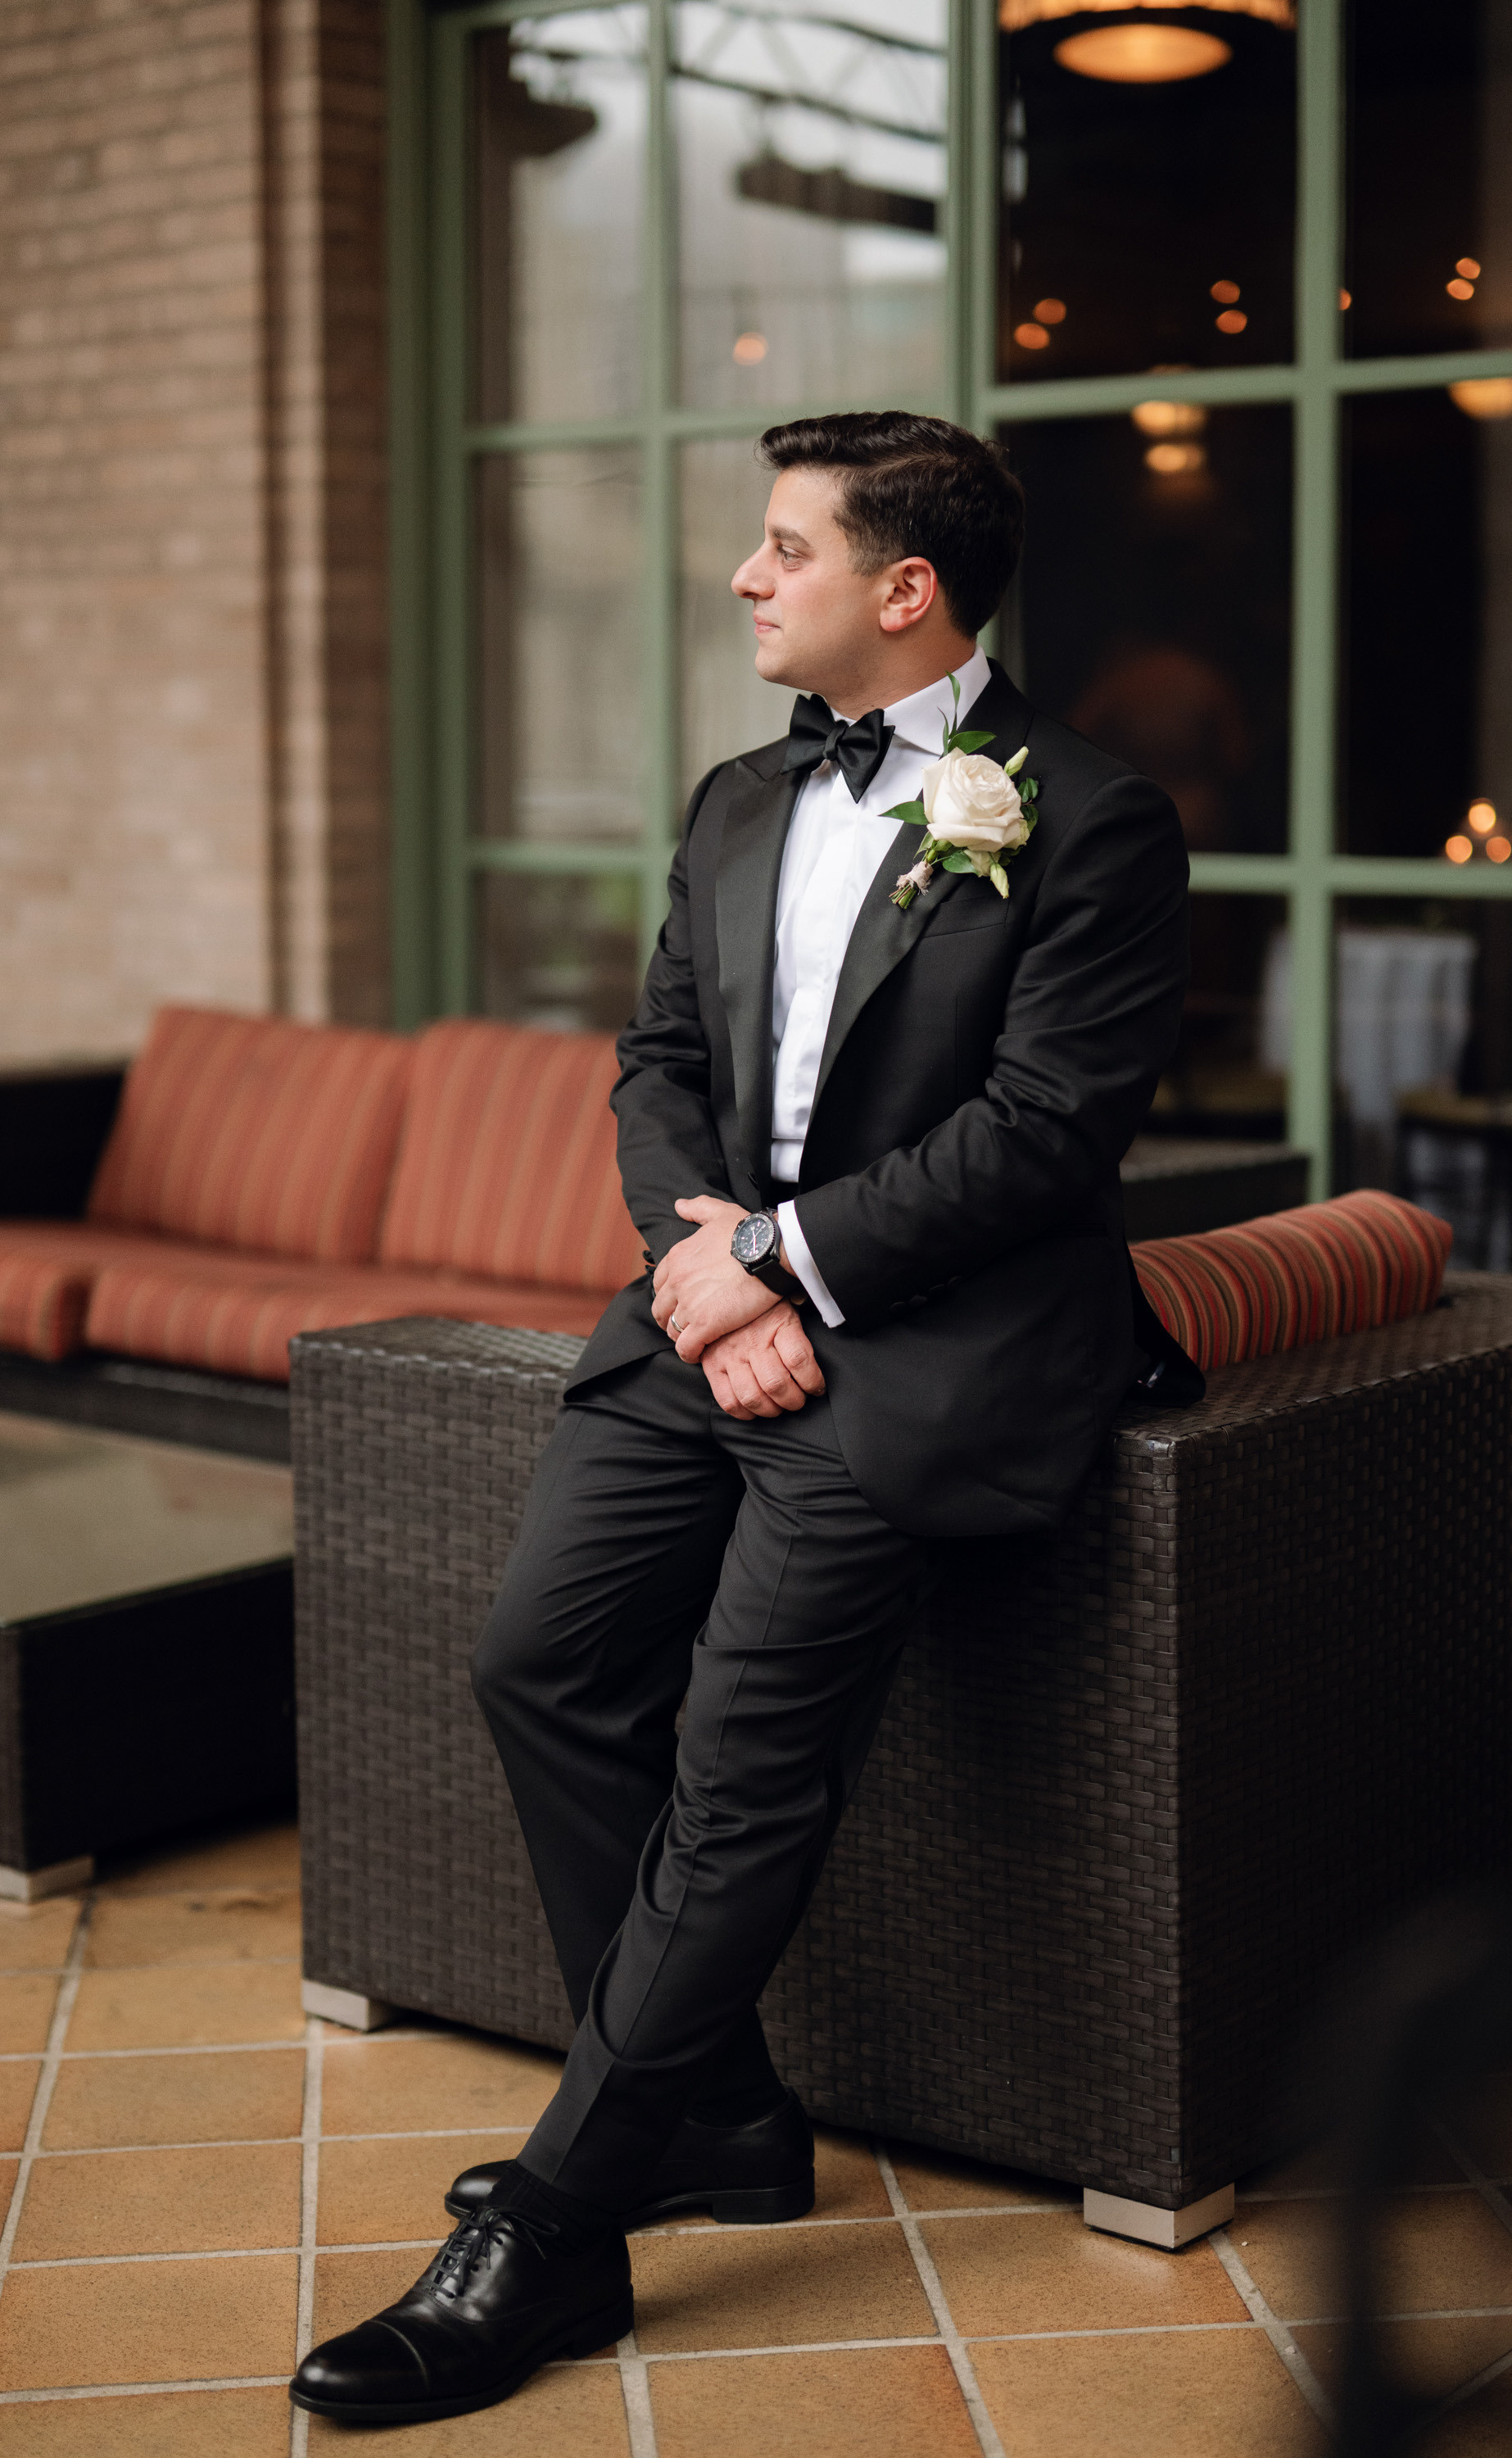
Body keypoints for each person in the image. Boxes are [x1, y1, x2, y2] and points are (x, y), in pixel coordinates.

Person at [290, 410, 1197, 2429]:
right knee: (539, 1662)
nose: (740, 577)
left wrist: (784, 1266)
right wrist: (714, 1277)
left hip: (929, 1351)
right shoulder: (731, 800)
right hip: (708, 1323)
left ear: (906, 588)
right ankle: (713, 2114)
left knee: (739, 1763)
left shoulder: (1094, 817)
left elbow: (1047, 1137)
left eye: (782, 547)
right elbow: (655, 1062)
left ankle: (560, 2217)